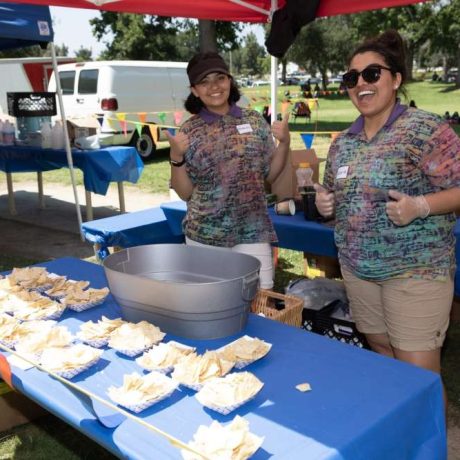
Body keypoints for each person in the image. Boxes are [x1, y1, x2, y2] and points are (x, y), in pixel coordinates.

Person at [314, 30, 460, 406]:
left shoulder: (424, 129)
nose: (360, 84)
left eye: (372, 74)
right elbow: (335, 197)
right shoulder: (343, 142)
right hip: (359, 272)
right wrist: (328, 206)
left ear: (395, 79)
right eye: (352, 78)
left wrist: (420, 206)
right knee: (384, 355)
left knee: (419, 378)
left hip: (415, 272)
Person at [166, 52, 291, 289]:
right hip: (206, 235)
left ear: (229, 81)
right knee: (212, 303)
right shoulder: (189, 131)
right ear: (194, 90)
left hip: (253, 230)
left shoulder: (254, 121)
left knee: (261, 298)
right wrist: (176, 157)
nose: (214, 86)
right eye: (205, 82)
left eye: (220, 78)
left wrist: (284, 143)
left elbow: (269, 176)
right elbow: (184, 193)